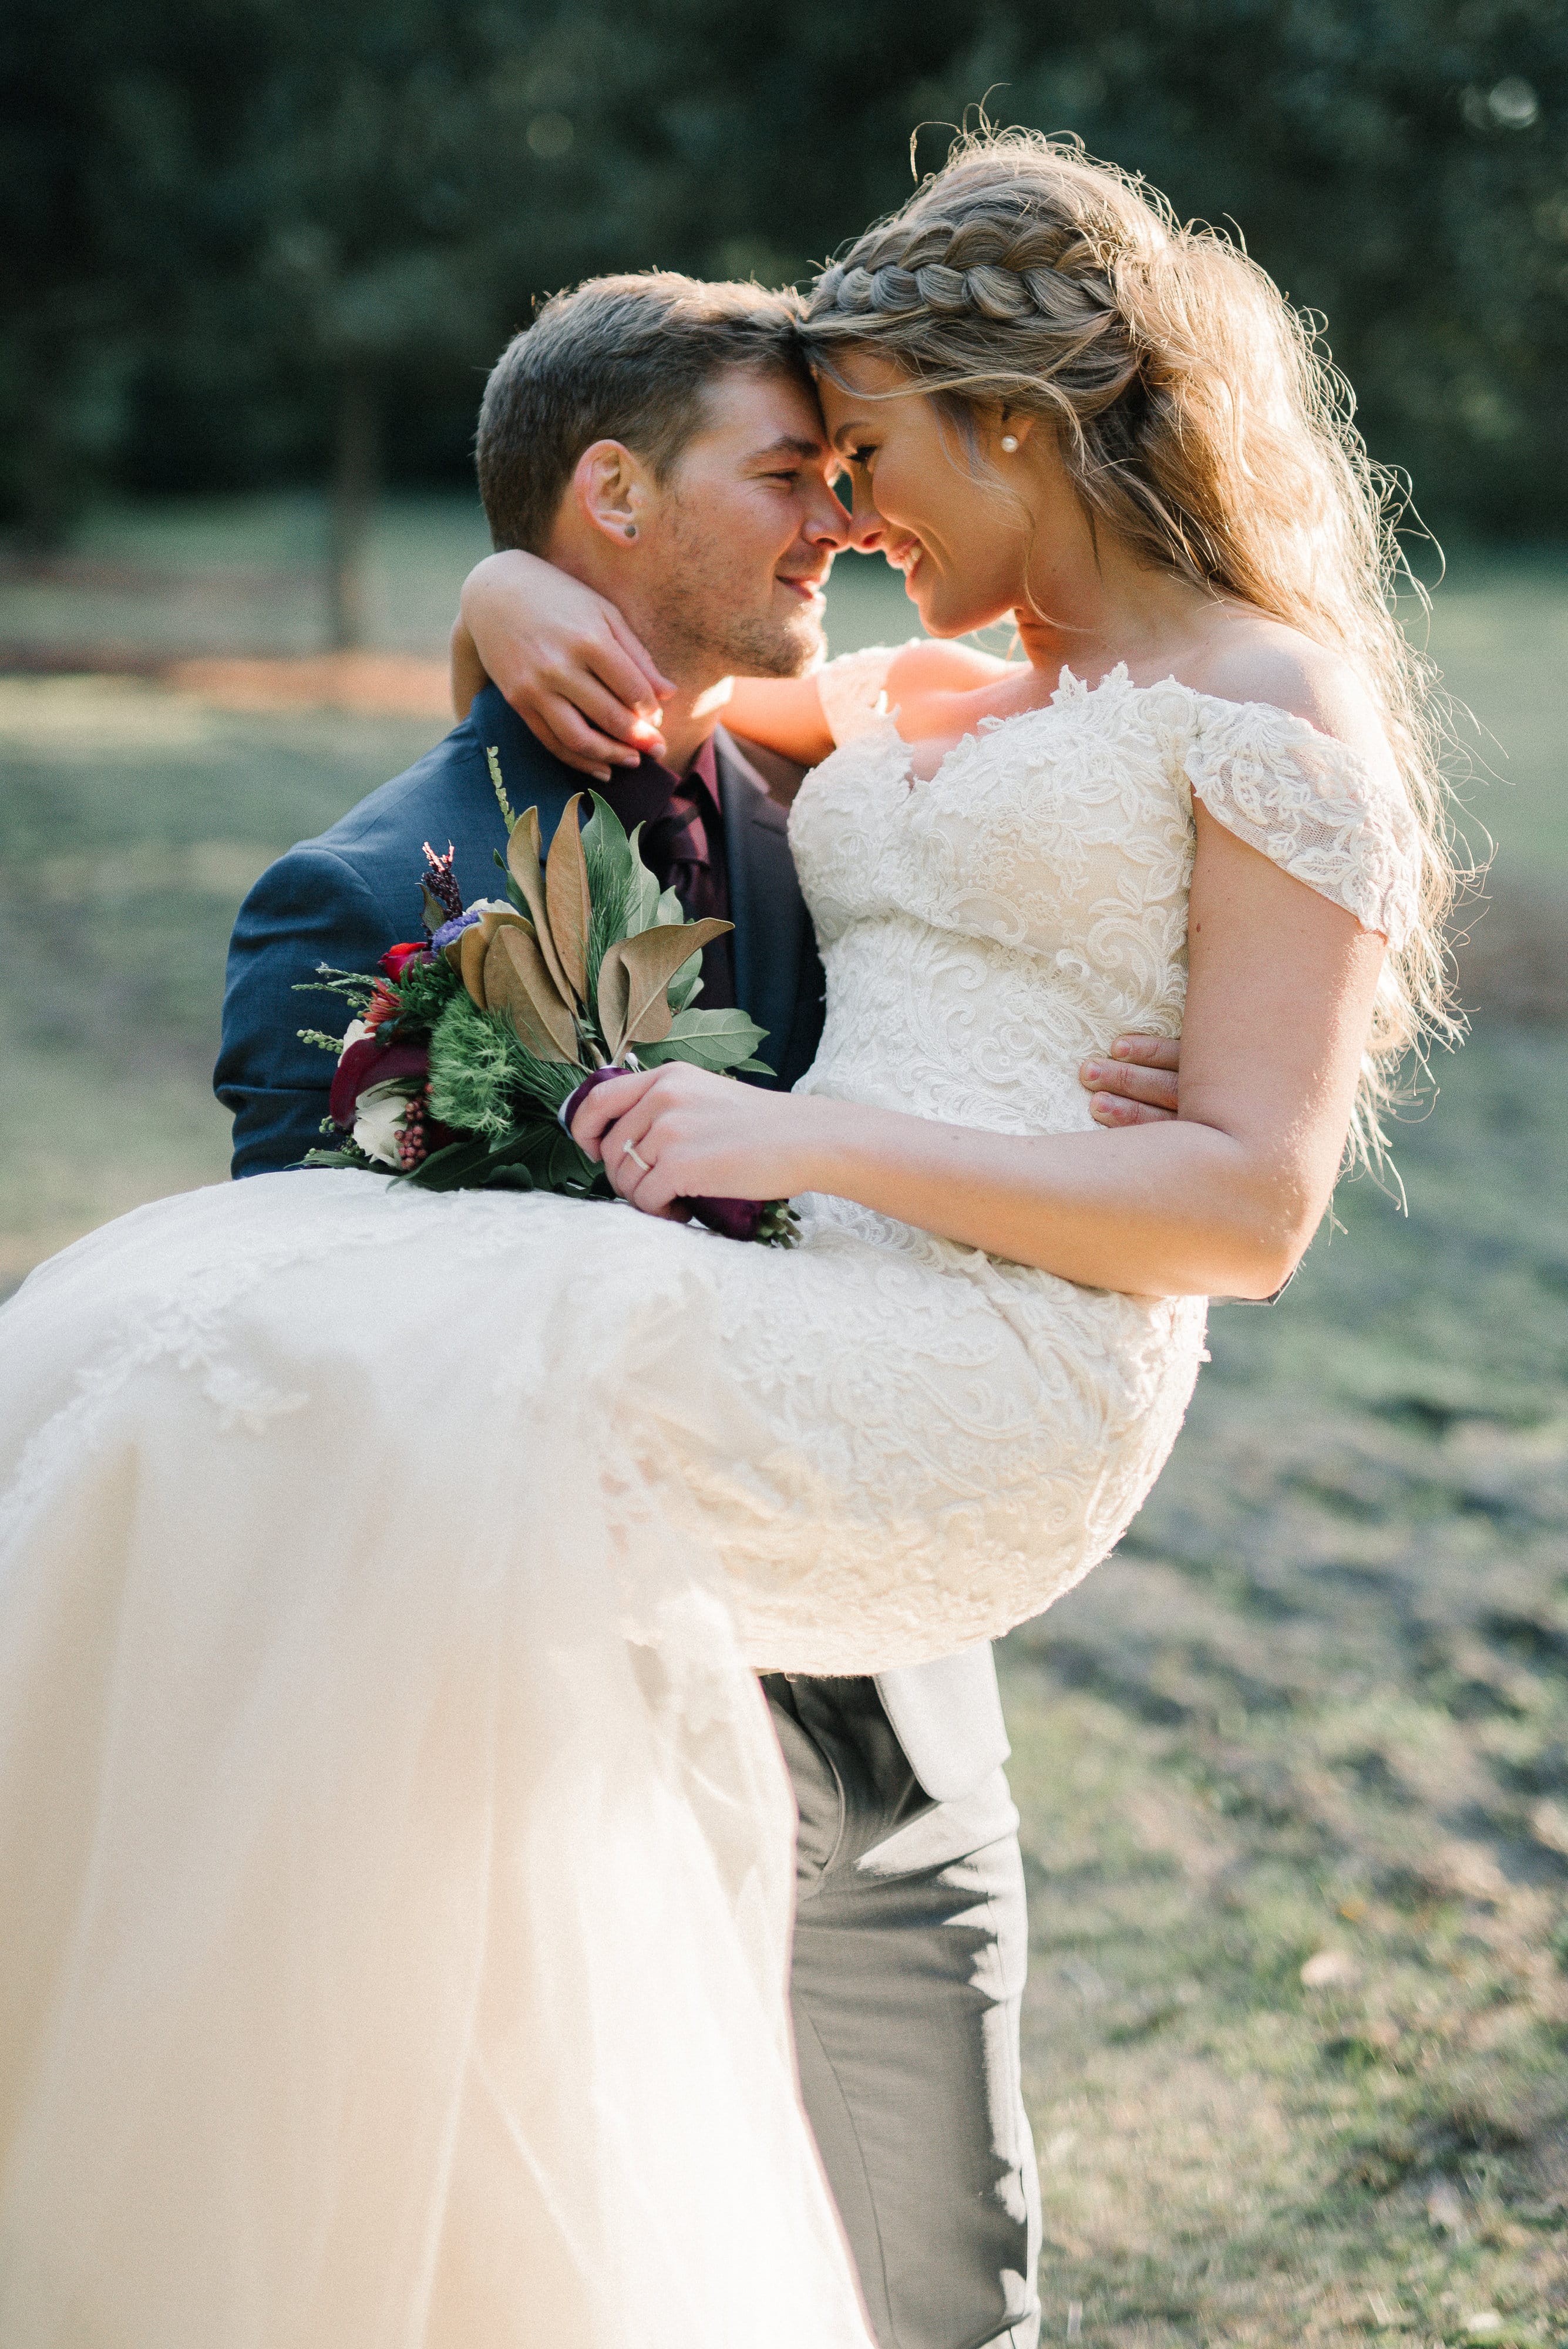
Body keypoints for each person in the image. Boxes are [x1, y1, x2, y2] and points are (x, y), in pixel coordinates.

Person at [0, 127, 1450, 2349]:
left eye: (873, 455)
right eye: (824, 466)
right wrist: (501, 591)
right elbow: (645, 684)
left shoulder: (1276, 713)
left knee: (336, 1367)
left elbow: (1248, 1207)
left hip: (994, 1375)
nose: (857, 517)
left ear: (1022, 429)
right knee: (242, 1352)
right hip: (803, 1310)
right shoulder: (936, 692)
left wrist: (813, 1133)